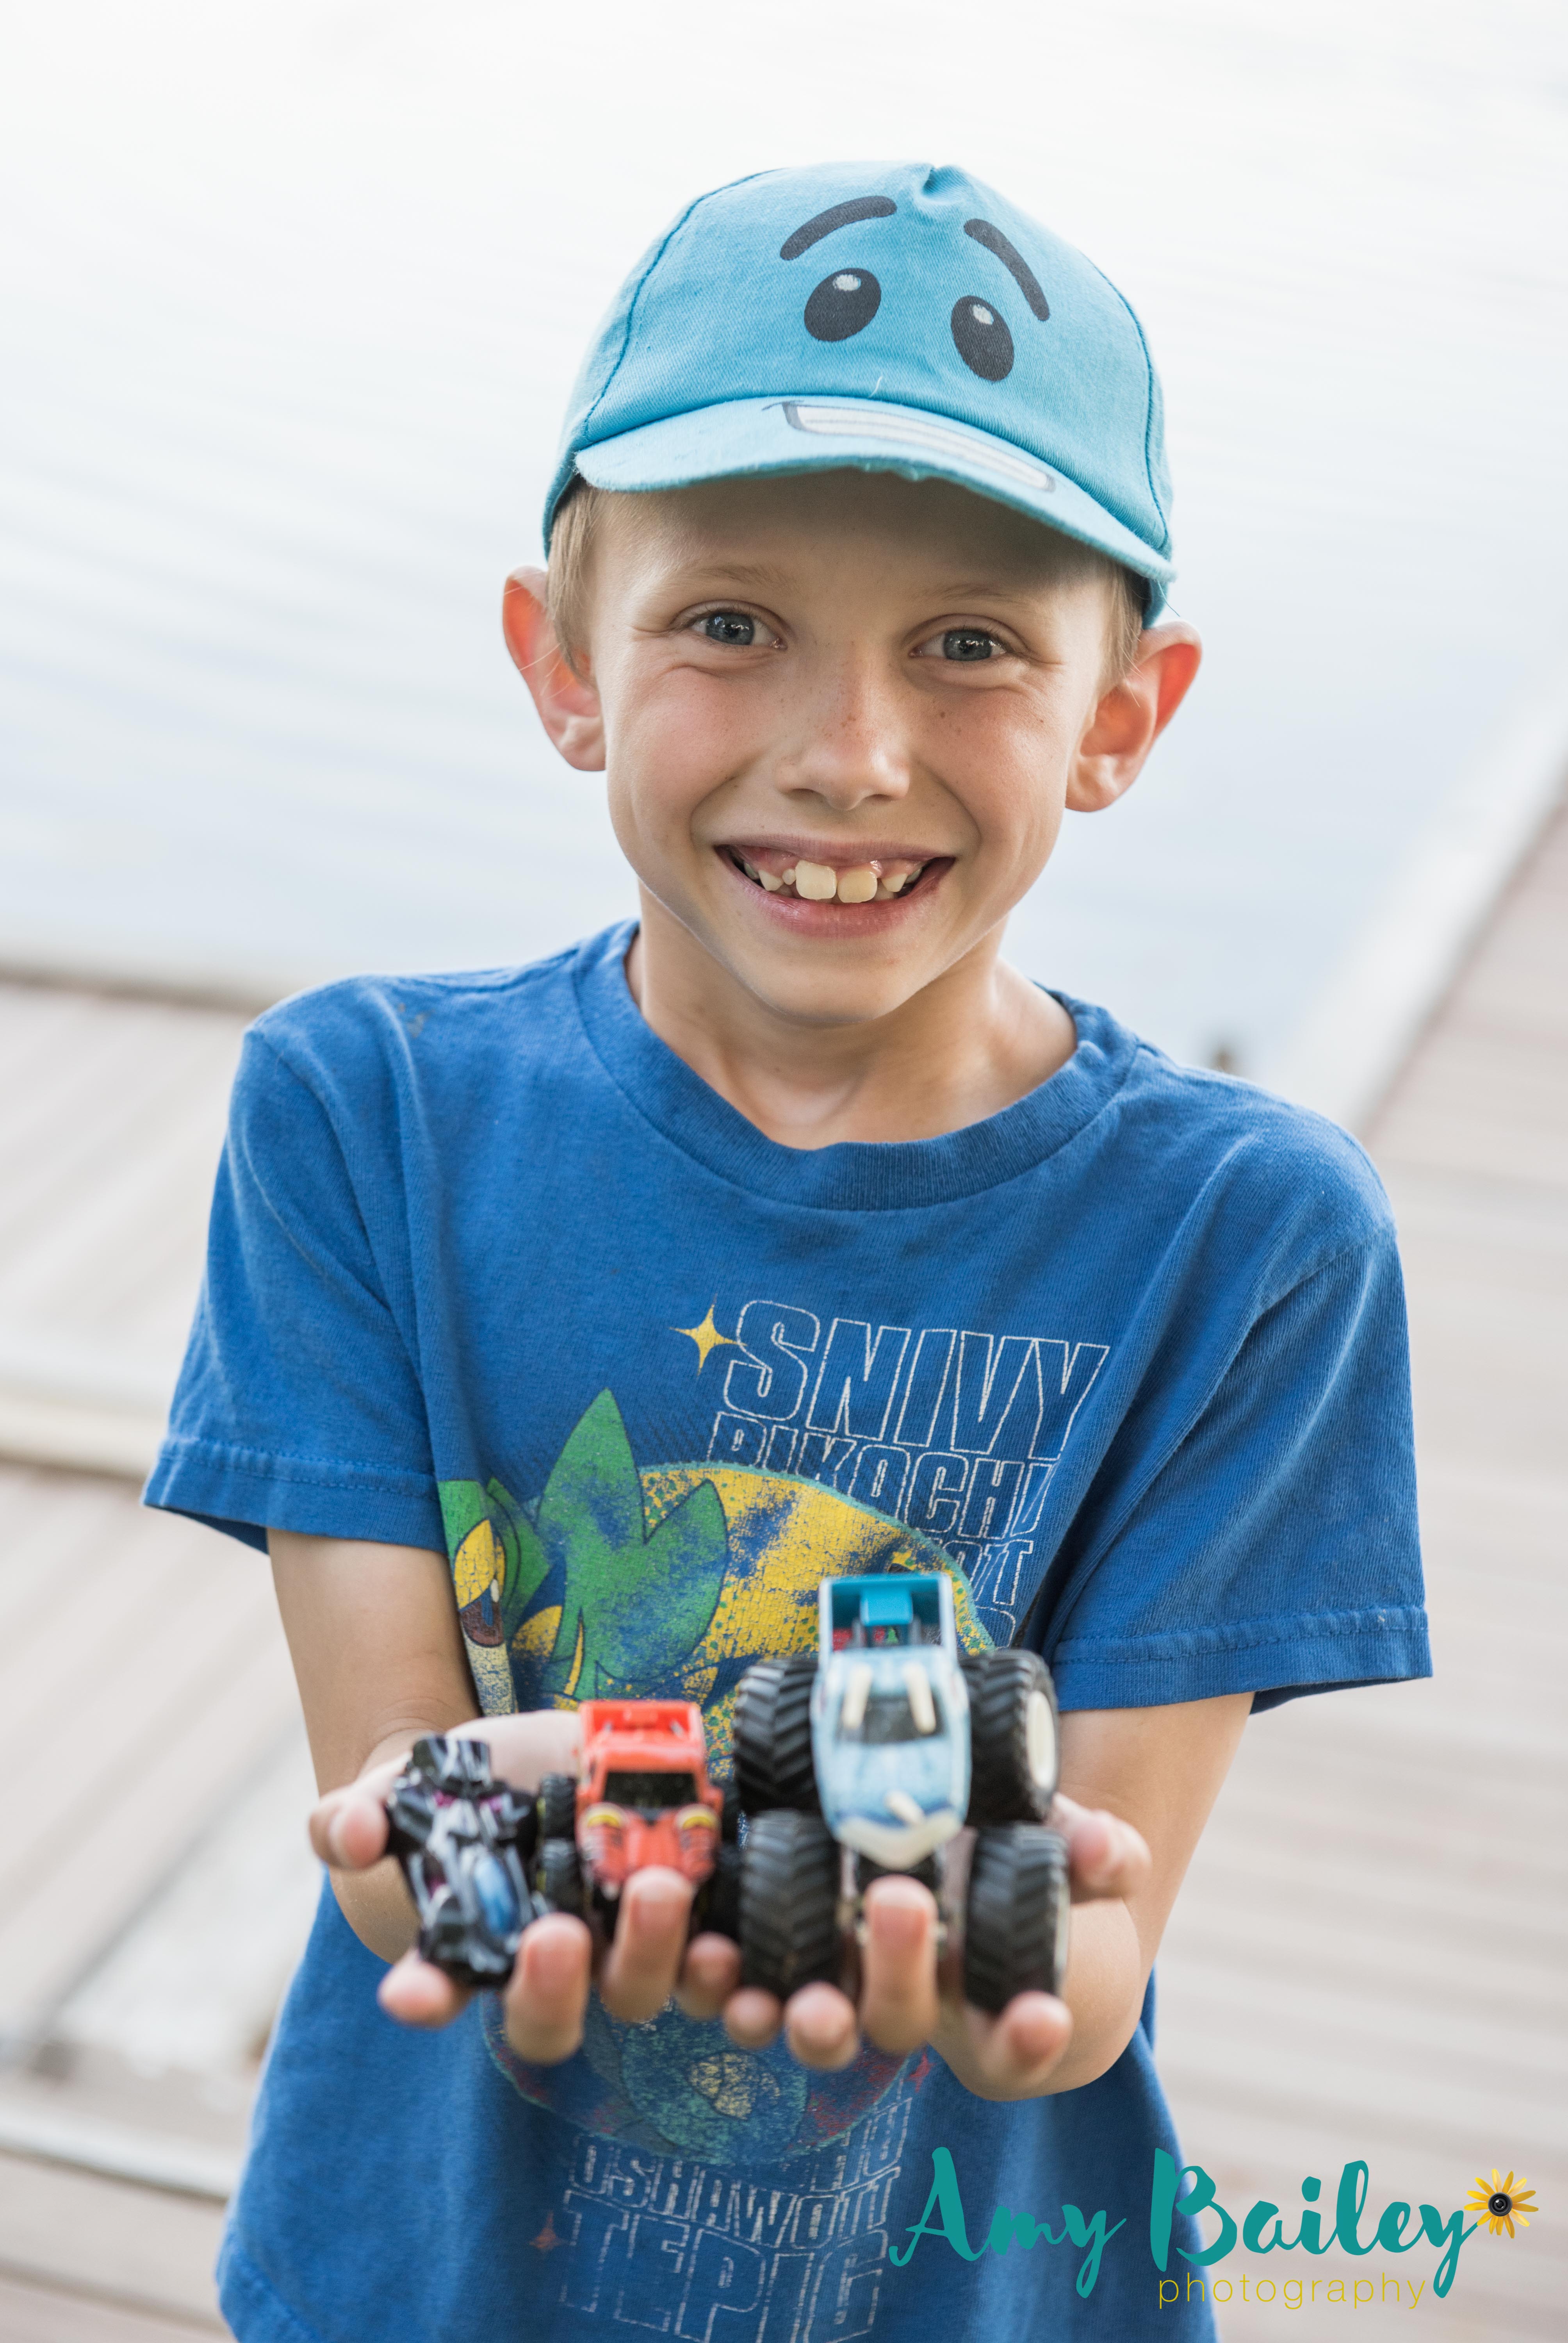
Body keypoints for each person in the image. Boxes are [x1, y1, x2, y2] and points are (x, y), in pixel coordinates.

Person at [146, 160, 1430, 2342]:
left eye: (971, 647)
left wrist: (996, 1947)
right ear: (563, 665)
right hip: (418, 2285)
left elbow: (1089, 1951)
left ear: (1123, 716)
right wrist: (544, 1819)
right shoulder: (360, 1114)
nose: (851, 758)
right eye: (729, 623)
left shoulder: (1253, 1241)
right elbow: (408, 1836)